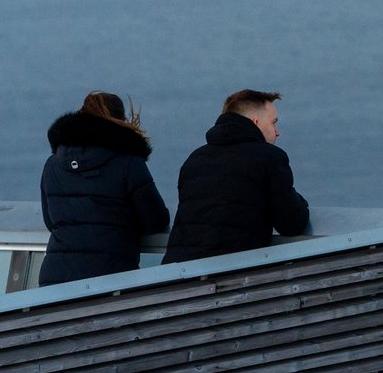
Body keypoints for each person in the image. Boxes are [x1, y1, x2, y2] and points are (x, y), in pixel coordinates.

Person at [161, 88, 310, 263]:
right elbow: (291, 224)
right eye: (273, 123)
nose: (277, 132)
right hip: (230, 275)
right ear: (256, 123)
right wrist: (300, 201)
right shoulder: (269, 157)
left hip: (177, 273)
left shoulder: (195, 159)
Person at [38, 91, 170, 286]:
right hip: (111, 277)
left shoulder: (53, 164)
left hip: (56, 279)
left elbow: (51, 221)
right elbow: (155, 220)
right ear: (120, 121)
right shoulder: (129, 163)